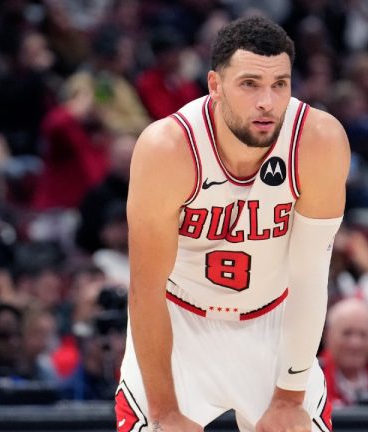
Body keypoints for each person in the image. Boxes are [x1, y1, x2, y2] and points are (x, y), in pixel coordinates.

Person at [118, 15, 349, 432]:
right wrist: (166, 412)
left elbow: (310, 274)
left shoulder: (317, 140)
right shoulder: (167, 149)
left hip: (274, 323)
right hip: (179, 325)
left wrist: (289, 396)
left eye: (280, 84)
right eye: (250, 84)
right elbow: (146, 289)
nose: (267, 101)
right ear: (215, 85)